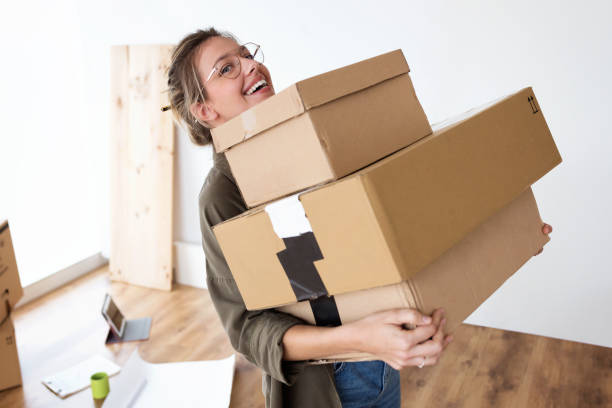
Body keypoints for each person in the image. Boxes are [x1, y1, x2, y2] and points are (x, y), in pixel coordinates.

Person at [166, 27, 553, 408]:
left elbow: (386, 230)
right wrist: (361, 339)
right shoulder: (221, 195)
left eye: (247, 55)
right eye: (227, 68)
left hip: (381, 360)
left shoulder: (308, 145)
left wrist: (504, 233)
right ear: (206, 110)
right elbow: (248, 331)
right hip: (329, 383)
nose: (250, 66)